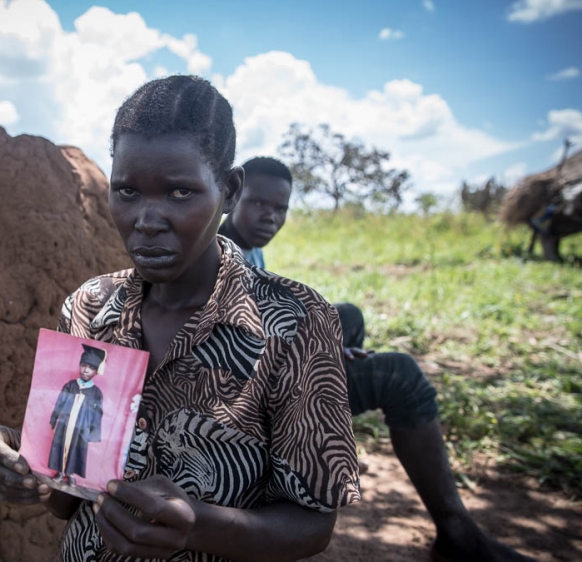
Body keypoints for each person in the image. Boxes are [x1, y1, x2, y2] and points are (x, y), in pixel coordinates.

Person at [0, 75, 360, 562]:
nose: (147, 219)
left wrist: (199, 526)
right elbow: (67, 498)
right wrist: (18, 463)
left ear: (230, 188)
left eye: (180, 193)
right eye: (128, 191)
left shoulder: (296, 323)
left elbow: (313, 526)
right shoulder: (90, 307)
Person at [221, 156, 534, 562]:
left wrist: (326, 344)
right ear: (232, 195)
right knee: (399, 375)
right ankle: (457, 534)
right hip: (248, 399)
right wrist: (321, 357)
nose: (271, 217)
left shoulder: (247, 248)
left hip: (272, 371)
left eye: (280, 208)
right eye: (260, 204)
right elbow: (238, 355)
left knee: (345, 316)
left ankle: (324, 443)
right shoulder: (223, 256)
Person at [48, 344, 106, 484]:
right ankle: (61, 472)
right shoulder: (70, 385)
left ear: (96, 371)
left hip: (82, 428)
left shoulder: (96, 392)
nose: (86, 370)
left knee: (76, 448)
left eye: (91, 368)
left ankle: (72, 474)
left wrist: (93, 433)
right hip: (65, 424)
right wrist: (54, 419)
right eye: (84, 365)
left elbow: (98, 414)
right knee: (62, 445)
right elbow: (59, 403)